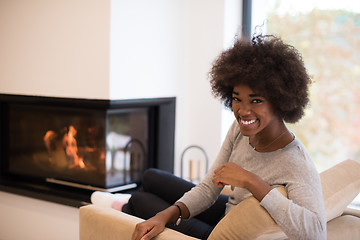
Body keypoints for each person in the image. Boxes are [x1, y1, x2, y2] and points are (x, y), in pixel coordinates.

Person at [121, 34, 327, 240]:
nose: (243, 111)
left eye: (256, 101)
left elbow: (316, 234)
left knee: (139, 200)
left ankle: (123, 210)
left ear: (280, 101)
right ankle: (126, 209)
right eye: (237, 98)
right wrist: (163, 216)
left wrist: (251, 181)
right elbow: (208, 188)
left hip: (222, 234)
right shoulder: (239, 130)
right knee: (150, 177)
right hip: (226, 212)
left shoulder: (296, 163)